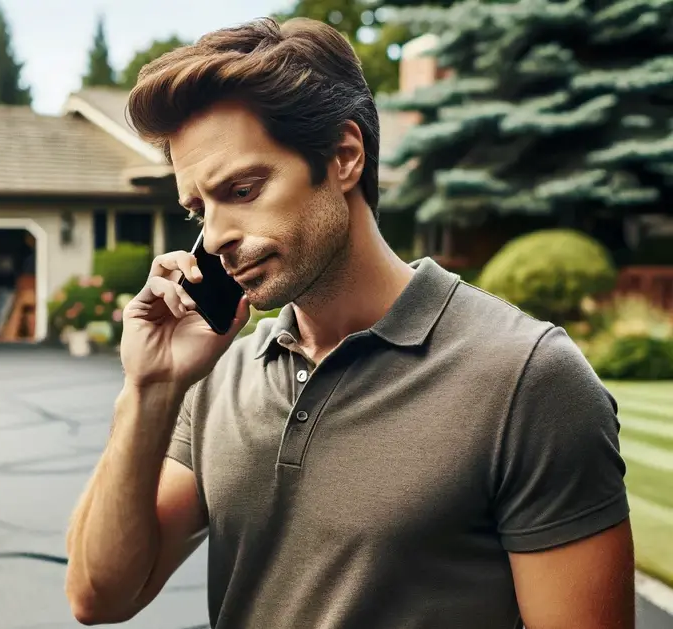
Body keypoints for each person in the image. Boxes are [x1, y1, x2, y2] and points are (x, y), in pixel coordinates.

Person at [64, 16, 635, 629]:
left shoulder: (527, 378)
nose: (216, 236)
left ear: (344, 156)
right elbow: (100, 597)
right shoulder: (217, 371)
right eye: (198, 209)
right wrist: (149, 388)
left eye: (244, 190)